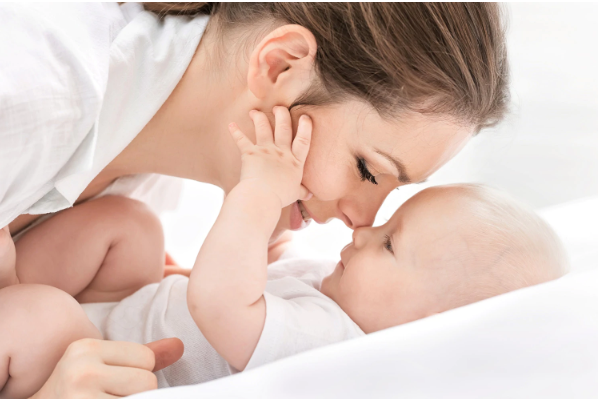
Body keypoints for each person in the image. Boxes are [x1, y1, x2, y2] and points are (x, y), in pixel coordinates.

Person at [0, 2, 509, 397]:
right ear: (280, 65)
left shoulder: (158, 163)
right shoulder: (33, 93)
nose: (361, 221)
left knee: (132, 230)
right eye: (366, 170)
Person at [0, 108, 567, 397]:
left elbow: (223, 304)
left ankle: (13, 298)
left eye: (390, 243)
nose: (362, 233)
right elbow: (254, 285)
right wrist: (270, 240)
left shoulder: (335, 345)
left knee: (46, 314)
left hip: (97, 355)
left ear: (428, 323)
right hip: (134, 309)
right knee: (133, 225)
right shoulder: (341, 294)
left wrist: (257, 193)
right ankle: (14, 282)